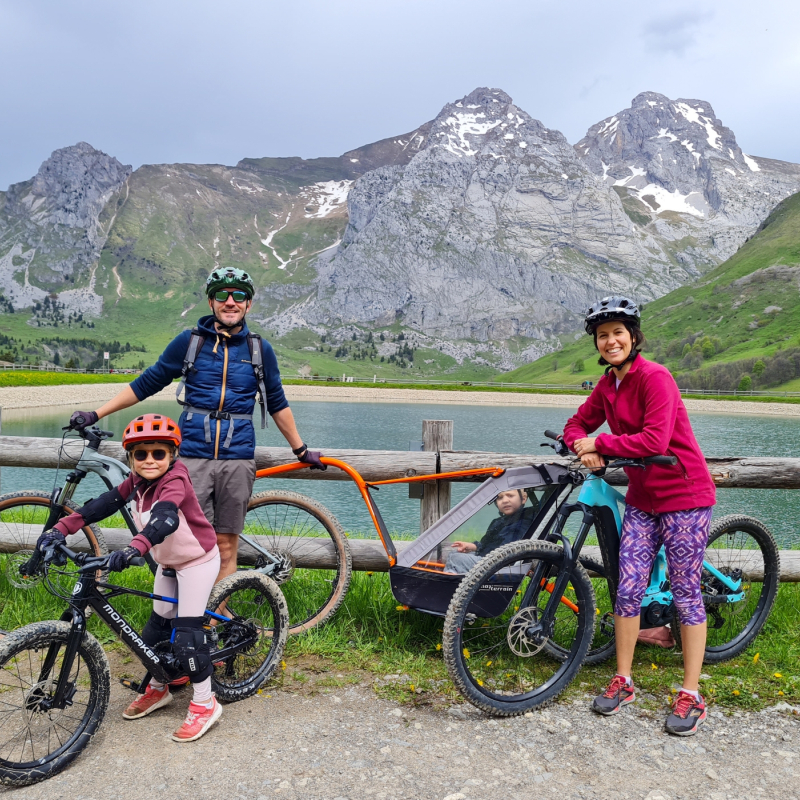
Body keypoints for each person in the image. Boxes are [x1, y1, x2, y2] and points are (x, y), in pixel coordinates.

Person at [67, 267, 325, 586]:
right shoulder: (190, 343)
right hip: (190, 460)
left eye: (239, 295)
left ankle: (213, 625)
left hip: (237, 460)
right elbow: (147, 382)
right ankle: (181, 619)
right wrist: (97, 413)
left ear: (249, 304)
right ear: (211, 301)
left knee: (226, 547)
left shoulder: (260, 351)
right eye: (222, 295)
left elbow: (277, 402)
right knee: (181, 544)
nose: (230, 301)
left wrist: (300, 448)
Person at [562, 296, 716, 737]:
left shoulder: (656, 378)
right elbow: (578, 423)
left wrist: (601, 446)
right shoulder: (608, 383)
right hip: (643, 500)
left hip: (685, 495)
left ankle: (691, 693)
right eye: (603, 335)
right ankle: (624, 680)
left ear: (634, 337)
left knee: (686, 592)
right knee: (628, 587)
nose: (610, 341)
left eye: (617, 333)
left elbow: (653, 440)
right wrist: (580, 444)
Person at [37, 413, 224, 742]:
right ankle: (158, 687)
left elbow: (165, 520)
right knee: (153, 632)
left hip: (197, 561)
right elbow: (103, 505)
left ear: (172, 455)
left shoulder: (175, 480)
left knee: (186, 638)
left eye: (158, 453)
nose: (149, 460)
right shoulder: (137, 482)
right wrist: (60, 529)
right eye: (141, 454)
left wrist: (134, 548)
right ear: (130, 458)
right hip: (168, 563)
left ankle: (205, 703)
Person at [445, 489, 531, 573]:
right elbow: (486, 544)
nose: (504, 500)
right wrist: (472, 546)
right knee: (453, 553)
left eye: (510, 495)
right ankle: (456, 580)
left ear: (523, 498)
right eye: (499, 497)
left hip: (501, 564)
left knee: (456, 559)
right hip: (489, 558)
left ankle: (450, 582)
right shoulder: (497, 522)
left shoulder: (526, 519)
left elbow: (509, 550)